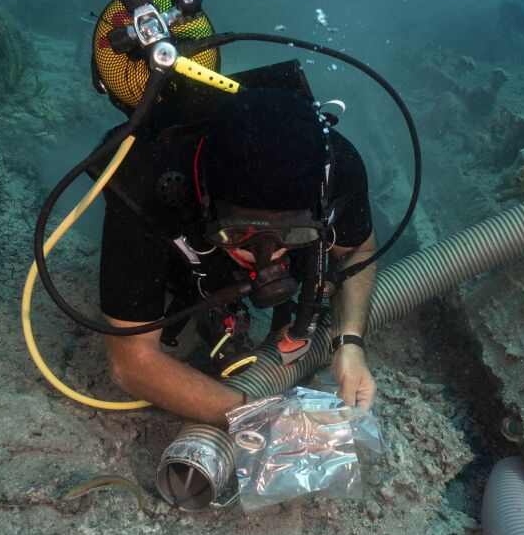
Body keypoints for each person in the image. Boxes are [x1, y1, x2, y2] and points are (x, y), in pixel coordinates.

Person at [99, 86, 377, 425]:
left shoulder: (339, 168)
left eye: (290, 233)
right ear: (206, 202)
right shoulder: (146, 184)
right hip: (186, 245)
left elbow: (358, 251)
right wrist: (257, 416)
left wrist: (348, 342)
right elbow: (130, 362)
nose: (267, 256)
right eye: (240, 234)